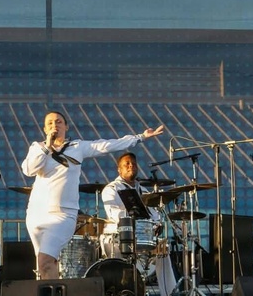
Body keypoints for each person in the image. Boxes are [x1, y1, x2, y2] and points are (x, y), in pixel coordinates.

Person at [21, 110, 164, 280]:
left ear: (66, 126)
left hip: (62, 214)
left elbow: (107, 145)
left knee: (45, 261)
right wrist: (47, 146)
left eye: (59, 122)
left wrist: (139, 137)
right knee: (44, 265)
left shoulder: (77, 147)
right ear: (45, 129)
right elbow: (29, 170)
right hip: (36, 214)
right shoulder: (37, 148)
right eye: (50, 123)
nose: (55, 125)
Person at [101, 152, 177, 296]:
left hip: (142, 238)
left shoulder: (143, 191)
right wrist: (133, 216)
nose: (131, 166)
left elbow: (155, 215)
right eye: (127, 164)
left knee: (163, 250)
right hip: (118, 238)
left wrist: (156, 225)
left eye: (133, 164)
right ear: (119, 169)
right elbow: (115, 215)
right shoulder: (111, 189)